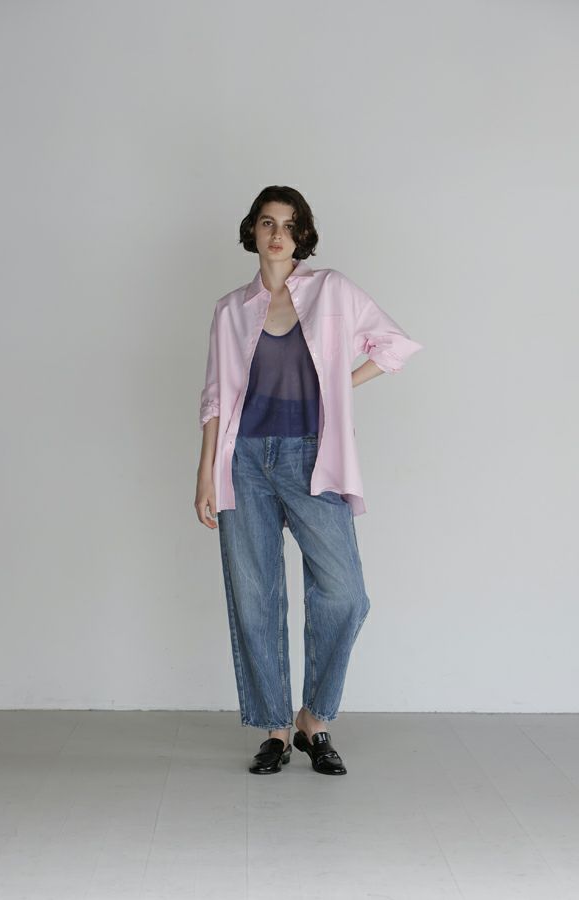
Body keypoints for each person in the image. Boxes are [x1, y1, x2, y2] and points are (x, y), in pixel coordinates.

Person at [195, 185, 423, 775]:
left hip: (311, 457)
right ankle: (274, 727)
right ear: (253, 230)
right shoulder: (230, 309)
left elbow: (394, 344)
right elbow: (216, 397)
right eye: (268, 222)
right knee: (255, 596)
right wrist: (205, 473)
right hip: (243, 461)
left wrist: (341, 385)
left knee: (346, 593)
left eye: (290, 224)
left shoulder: (331, 291)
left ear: (303, 234)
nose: (278, 234)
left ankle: (313, 719)